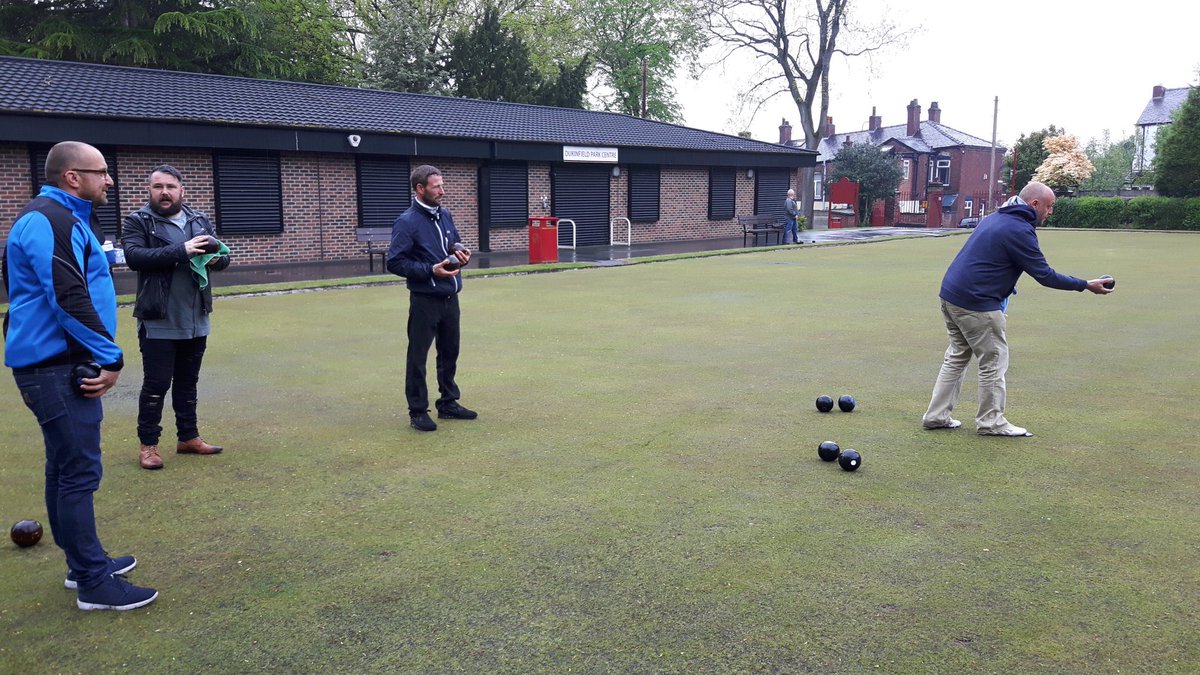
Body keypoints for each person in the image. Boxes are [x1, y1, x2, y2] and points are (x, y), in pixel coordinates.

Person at [4, 141, 158, 610]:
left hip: (51, 363)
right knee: (78, 472)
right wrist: (110, 357)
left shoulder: (59, 216)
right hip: (55, 367)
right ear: (73, 176)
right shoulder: (52, 219)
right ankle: (93, 582)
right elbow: (67, 298)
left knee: (63, 467)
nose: (109, 180)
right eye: (102, 172)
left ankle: (81, 565)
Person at [921, 181, 1114, 437]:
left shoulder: (996, 217)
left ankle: (936, 416)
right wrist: (1085, 285)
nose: (1050, 212)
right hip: (977, 303)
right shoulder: (1019, 229)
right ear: (1034, 204)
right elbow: (1044, 275)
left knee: (957, 356)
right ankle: (991, 423)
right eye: (1049, 206)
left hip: (951, 296)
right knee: (994, 361)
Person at [121, 164, 230, 470]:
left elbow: (221, 260)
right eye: (158, 187)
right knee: (156, 384)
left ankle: (188, 437)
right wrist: (182, 250)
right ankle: (149, 446)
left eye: (170, 186)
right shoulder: (138, 221)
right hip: (158, 319)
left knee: (188, 382)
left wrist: (219, 255)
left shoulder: (199, 219)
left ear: (182, 190)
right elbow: (135, 257)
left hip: (195, 316)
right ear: (149, 191)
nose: (164, 192)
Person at [386, 164, 477, 432]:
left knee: (449, 353)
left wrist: (461, 251)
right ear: (420, 189)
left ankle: (448, 403)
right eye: (436, 186)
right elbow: (395, 262)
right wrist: (429, 270)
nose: (442, 191)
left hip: (450, 297)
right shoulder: (406, 221)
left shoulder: (445, 214)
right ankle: (417, 411)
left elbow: (452, 242)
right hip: (425, 300)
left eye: (442, 185)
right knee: (418, 356)